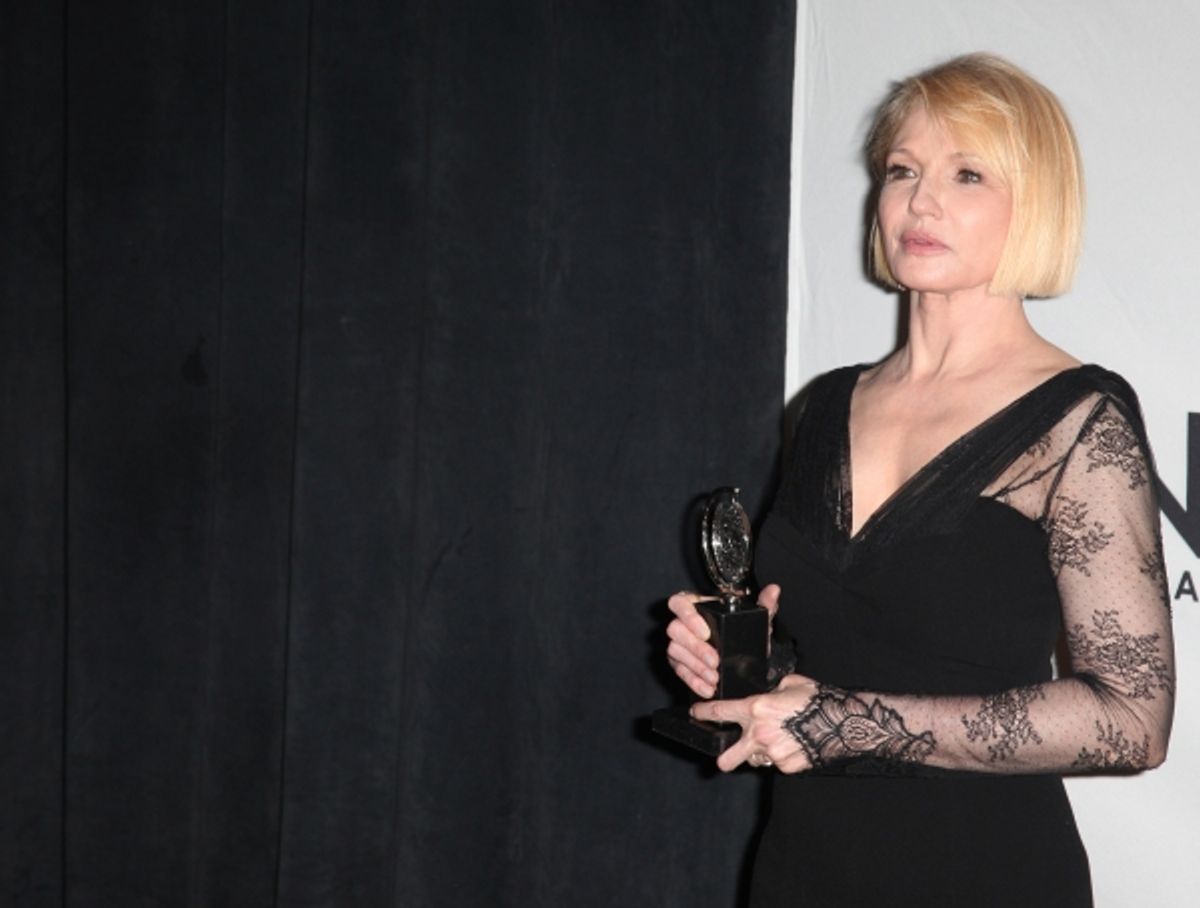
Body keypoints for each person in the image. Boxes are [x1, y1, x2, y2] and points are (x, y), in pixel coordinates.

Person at [665, 53, 1174, 908]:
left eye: (966, 173)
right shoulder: (825, 406)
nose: (920, 200)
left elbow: (1131, 721)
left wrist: (841, 721)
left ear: (1035, 201)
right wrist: (737, 669)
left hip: (984, 871)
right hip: (803, 867)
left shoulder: (1077, 419)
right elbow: (829, 650)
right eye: (903, 171)